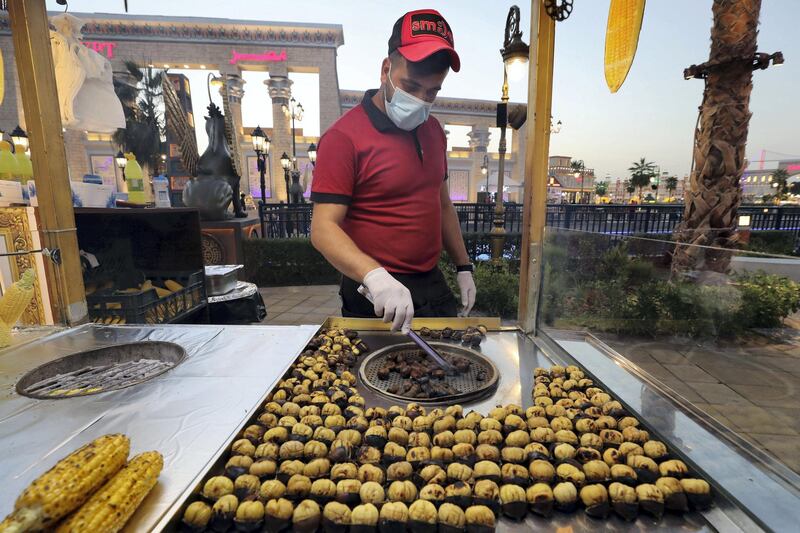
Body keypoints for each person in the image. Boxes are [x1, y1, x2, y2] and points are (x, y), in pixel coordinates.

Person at [310, 9, 476, 333]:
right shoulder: (343, 138)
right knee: (377, 377)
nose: (420, 100)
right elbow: (322, 228)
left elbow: (442, 204)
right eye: (411, 86)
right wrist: (374, 275)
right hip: (374, 290)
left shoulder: (434, 132)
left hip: (431, 281)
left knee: (452, 368)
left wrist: (463, 265)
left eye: (432, 92)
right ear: (386, 69)